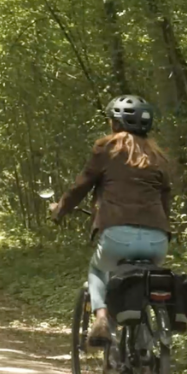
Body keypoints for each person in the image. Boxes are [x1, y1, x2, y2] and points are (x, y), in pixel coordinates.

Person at [49, 95, 175, 346]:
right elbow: (165, 200)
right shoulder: (159, 157)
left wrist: (59, 210)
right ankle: (147, 361)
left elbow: (80, 187)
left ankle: (102, 318)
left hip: (117, 235)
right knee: (144, 287)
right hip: (157, 239)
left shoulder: (107, 149)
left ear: (115, 123)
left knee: (98, 271)